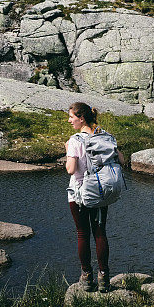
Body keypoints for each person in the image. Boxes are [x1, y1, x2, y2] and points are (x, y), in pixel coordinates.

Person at [64, 101, 125, 292]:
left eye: (72, 117)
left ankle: (86, 277)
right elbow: (121, 160)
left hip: (80, 194)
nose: (69, 120)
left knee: (82, 234)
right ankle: (104, 278)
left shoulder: (75, 140)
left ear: (81, 118)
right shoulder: (105, 136)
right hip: (100, 192)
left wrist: (68, 151)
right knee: (100, 233)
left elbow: (71, 169)